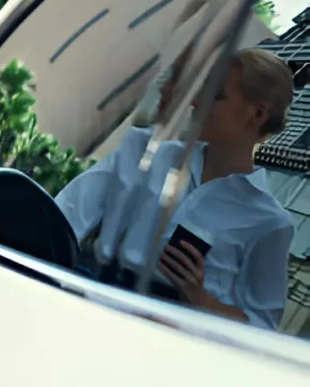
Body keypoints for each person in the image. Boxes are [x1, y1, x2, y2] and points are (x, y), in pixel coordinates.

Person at [55, 47, 295, 330]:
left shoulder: (270, 223)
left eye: (214, 94)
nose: (195, 102)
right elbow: (62, 218)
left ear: (256, 114)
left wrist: (201, 299)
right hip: (86, 312)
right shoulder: (144, 151)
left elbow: (263, 329)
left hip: (172, 348)